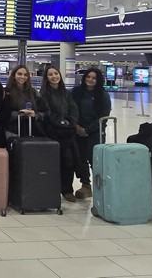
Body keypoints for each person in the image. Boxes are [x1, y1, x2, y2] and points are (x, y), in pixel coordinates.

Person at [40, 65, 83, 203]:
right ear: (46, 78)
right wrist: (60, 122)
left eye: (56, 73)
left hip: (67, 132)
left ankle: (67, 190)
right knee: (56, 162)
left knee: (69, 161)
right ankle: (52, 189)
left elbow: (73, 108)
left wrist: (70, 121)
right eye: (50, 74)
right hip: (53, 132)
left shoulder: (66, 93)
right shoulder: (44, 94)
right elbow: (47, 112)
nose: (54, 76)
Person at [71, 67, 111, 199]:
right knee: (81, 158)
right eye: (88, 77)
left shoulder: (103, 95)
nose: (90, 80)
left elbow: (104, 116)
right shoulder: (76, 92)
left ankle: (100, 186)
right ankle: (85, 185)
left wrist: (87, 130)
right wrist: (76, 126)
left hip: (95, 132)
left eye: (94, 78)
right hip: (77, 130)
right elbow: (70, 108)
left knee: (95, 159)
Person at [2, 64, 49, 138]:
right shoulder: (7, 92)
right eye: (19, 74)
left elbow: (46, 111)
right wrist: (19, 114)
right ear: (14, 76)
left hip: (32, 131)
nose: (22, 77)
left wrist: (35, 115)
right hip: (12, 131)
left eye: (25, 75)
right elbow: (3, 113)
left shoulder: (33, 92)